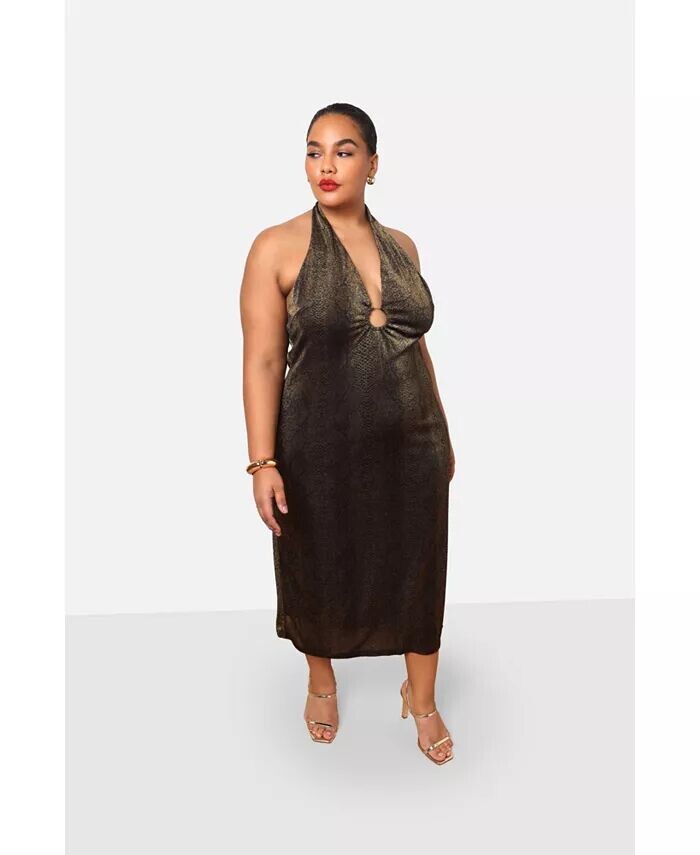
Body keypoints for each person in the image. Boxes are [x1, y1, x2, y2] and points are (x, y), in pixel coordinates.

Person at [240, 103, 455, 765]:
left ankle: (422, 698)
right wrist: (262, 462)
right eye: (314, 151)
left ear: (373, 163)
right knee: (318, 563)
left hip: (413, 441)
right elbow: (262, 360)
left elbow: (413, 345)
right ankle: (321, 680)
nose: (325, 165)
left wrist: (443, 435)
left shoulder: (404, 247)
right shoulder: (276, 246)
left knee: (421, 569)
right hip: (317, 447)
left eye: (343, 150)